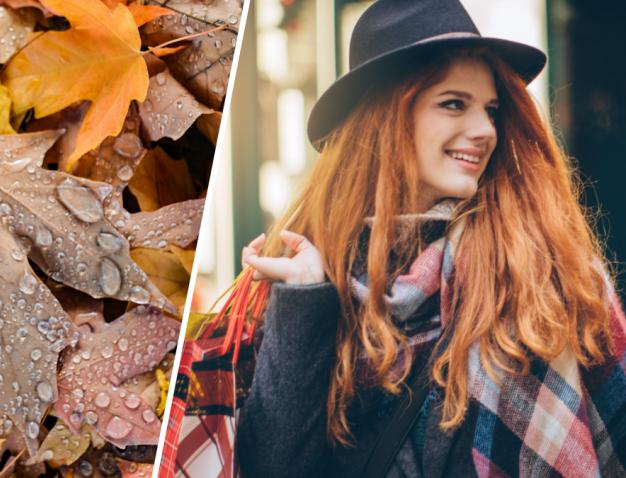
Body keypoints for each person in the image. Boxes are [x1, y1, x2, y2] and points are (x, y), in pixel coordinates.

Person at [235, 0, 626, 477]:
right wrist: (304, 298)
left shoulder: (549, 271)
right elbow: (272, 467)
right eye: (454, 103)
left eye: (492, 110)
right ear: (386, 118)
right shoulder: (319, 277)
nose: (485, 130)